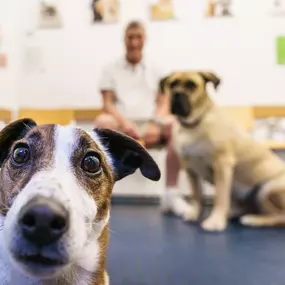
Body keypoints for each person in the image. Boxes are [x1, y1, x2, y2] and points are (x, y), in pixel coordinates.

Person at [95, 20, 191, 218]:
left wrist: (156, 123)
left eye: (138, 37)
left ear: (144, 40)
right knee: (102, 122)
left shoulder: (158, 69)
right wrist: (125, 124)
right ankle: (99, 192)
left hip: (151, 123)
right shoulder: (109, 68)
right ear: (124, 40)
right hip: (121, 124)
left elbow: (164, 102)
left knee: (174, 126)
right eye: (130, 37)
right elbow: (108, 104)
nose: (134, 42)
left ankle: (171, 195)